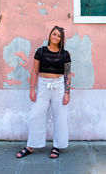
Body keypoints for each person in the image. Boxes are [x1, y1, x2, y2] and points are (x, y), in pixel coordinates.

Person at [16, 25, 72, 159]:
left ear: (61, 39)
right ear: (50, 35)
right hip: (43, 86)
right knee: (35, 116)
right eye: (54, 34)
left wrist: (67, 92)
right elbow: (35, 71)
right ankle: (31, 146)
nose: (56, 37)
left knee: (60, 117)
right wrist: (32, 89)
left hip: (59, 87)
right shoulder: (40, 52)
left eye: (59, 36)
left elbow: (67, 74)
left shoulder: (65, 54)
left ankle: (56, 146)